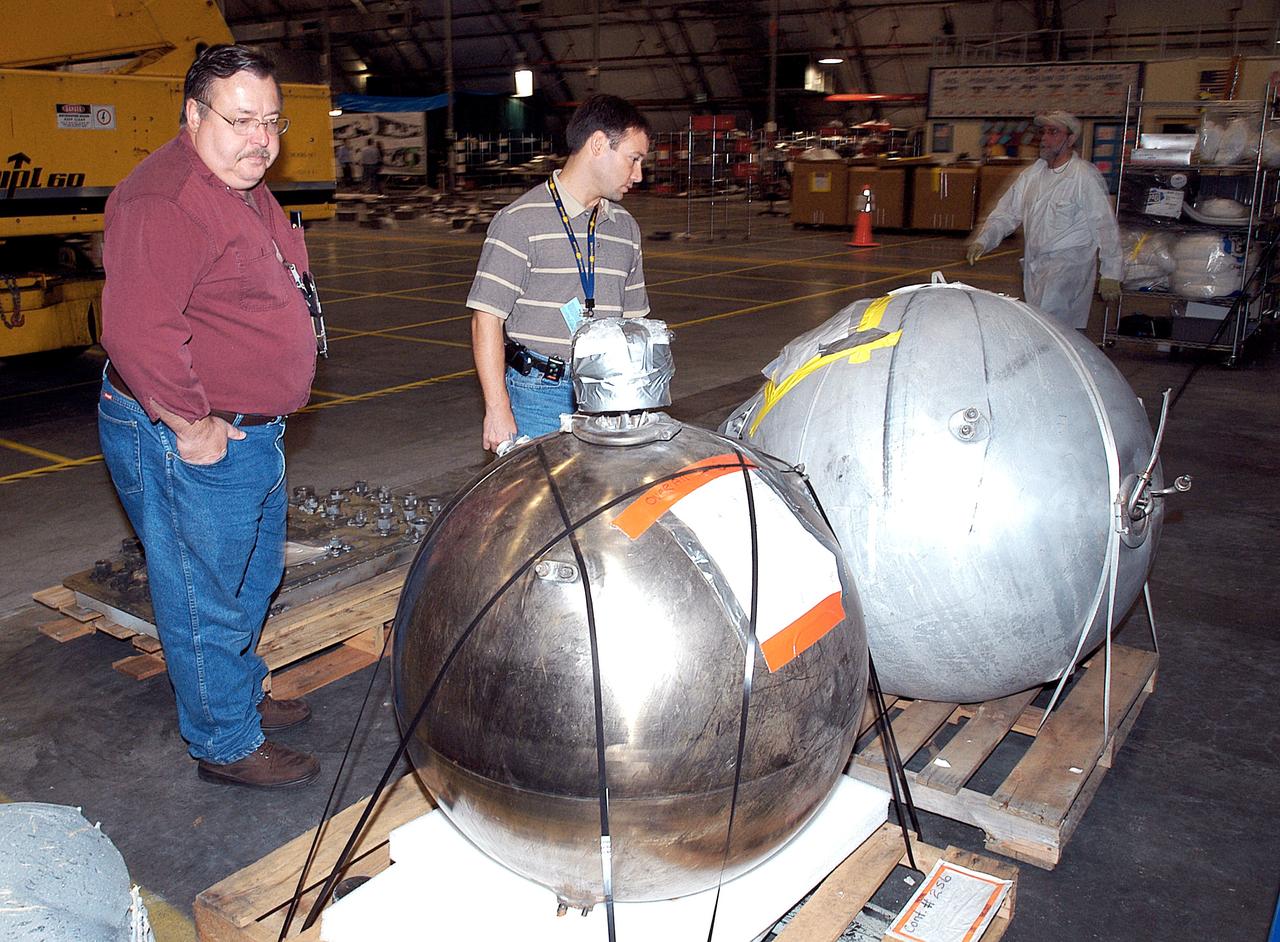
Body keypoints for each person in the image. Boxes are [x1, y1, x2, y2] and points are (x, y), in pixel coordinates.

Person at [97, 44, 321, 789]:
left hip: (254, 430)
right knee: (205, 595)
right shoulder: (163, 199)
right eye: (241, 120)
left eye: (272, 122)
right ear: (193, 116)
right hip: (195, 434)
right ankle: (225, 743)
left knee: (251, 582)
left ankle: (239, 694)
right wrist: (193, 427)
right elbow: (134, 331)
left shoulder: (241, 187)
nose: (261, 139)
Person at [468, 94, 651, 451]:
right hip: (538, 397)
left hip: (609, 398)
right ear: (599, 144)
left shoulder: (625, 228)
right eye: (633, 159)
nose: (638, 175)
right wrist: (497, 408)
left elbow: (636, 324)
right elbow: (485, 319)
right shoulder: (519, 221)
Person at [966, 111, 1122, 330]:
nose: (1045, 139)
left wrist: (1111, 272)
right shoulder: (1032, 175)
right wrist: (984, 240)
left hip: (1068, 267)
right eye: (1043, 132)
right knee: (1048, 329)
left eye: (1053, 132)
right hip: (1035, 265)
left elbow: (1104, 225)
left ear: (1070, 139)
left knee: (1049, 328)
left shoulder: (1083, 176)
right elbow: (1007, 212)